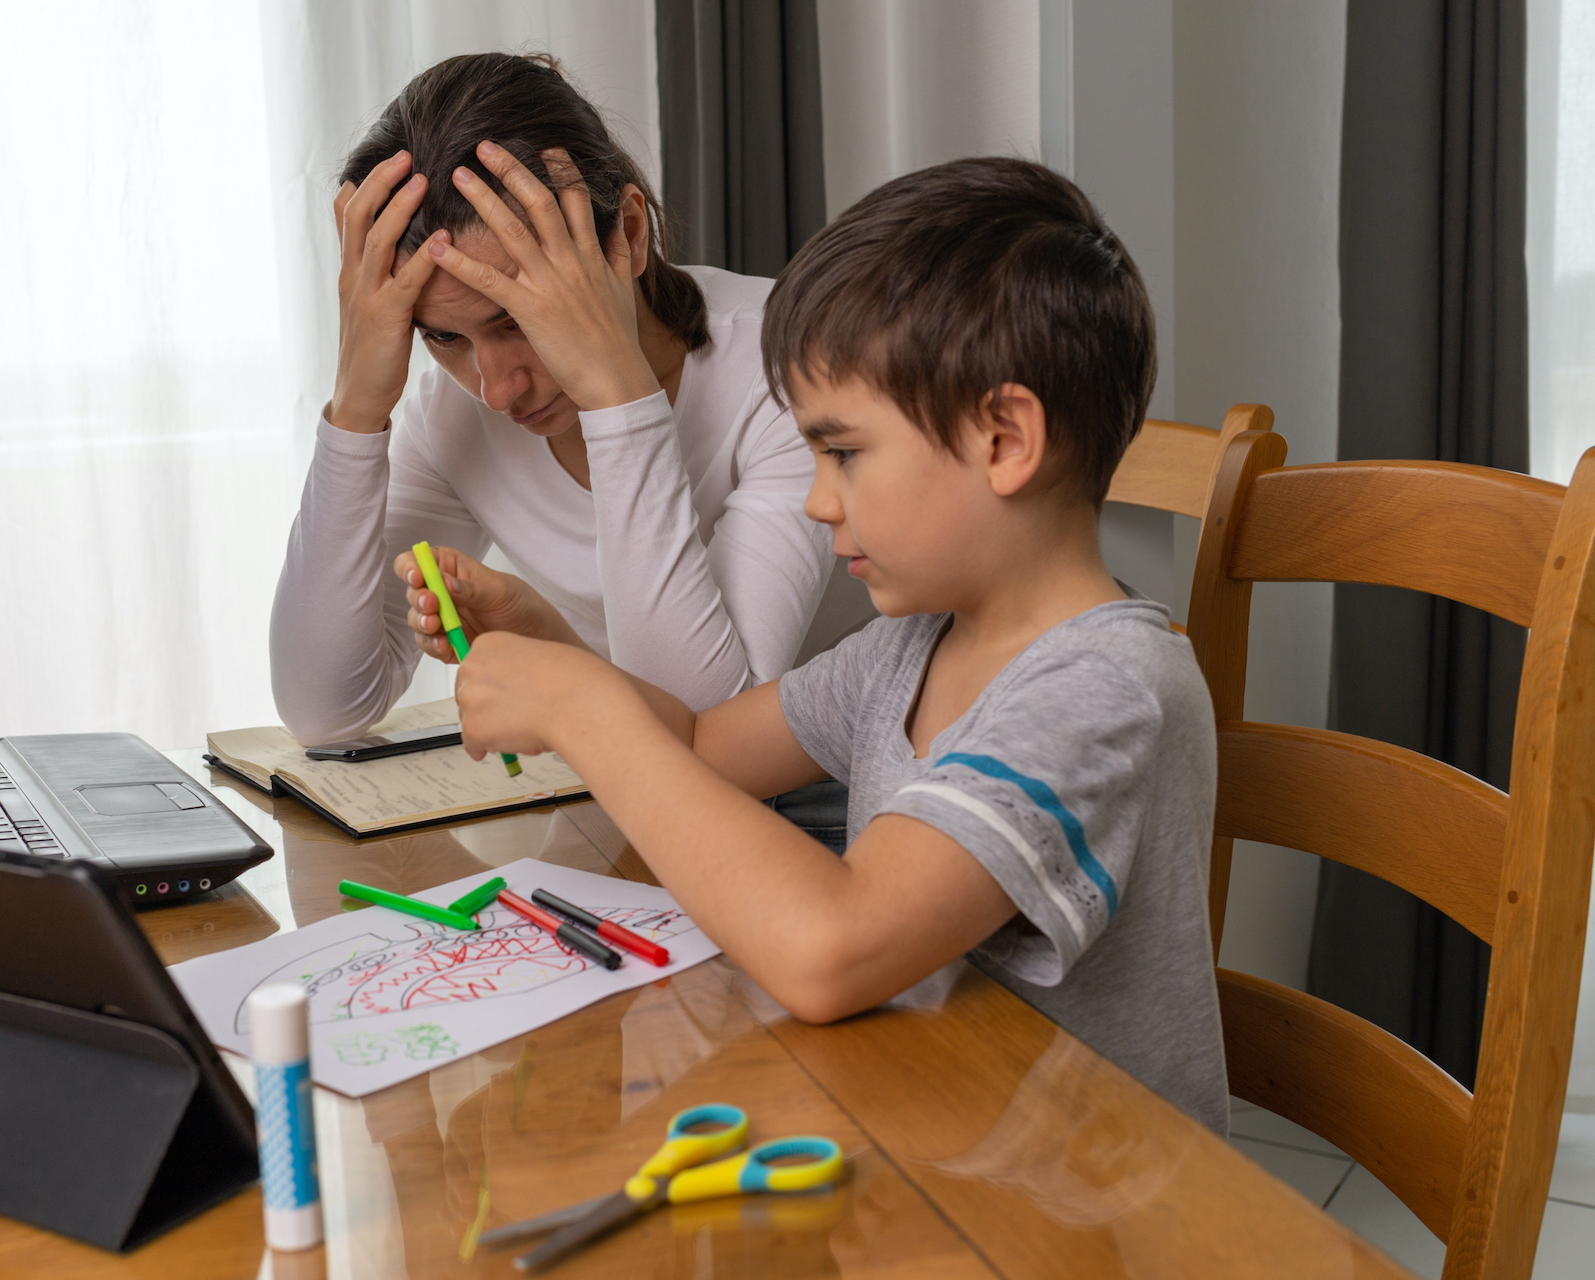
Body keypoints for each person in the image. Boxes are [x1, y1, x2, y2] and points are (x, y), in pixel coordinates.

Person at [451, 158, 1229, 1132]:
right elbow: (698, 747)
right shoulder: (910, 646)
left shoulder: (1105, 687)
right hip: (926, 1148)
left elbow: (834, 945)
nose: (819, 498)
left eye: (845, 452)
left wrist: (581, 707)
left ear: (1005, 439)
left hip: (1082, 1226)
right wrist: (559, 653)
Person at [270, 51, 874, 825]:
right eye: (443, 339)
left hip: (853, 789)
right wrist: (358, 404)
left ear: (626, 232)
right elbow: (323, 708)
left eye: (516, 321)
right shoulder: (453, 417)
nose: (497, 387)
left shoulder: (787, 365)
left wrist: (616, 396)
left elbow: (714, 739)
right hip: (626, 790)